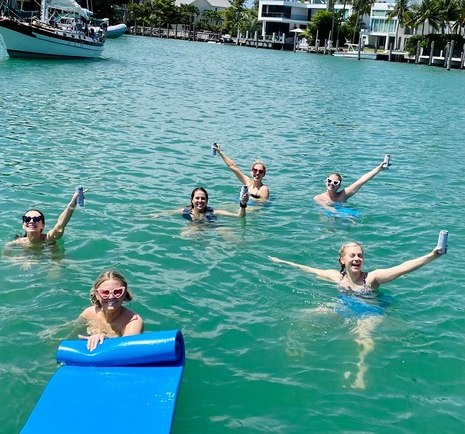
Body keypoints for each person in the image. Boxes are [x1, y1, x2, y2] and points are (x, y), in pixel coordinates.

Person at [269, 241, 446, 388]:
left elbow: (403, 268)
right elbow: (309, 269)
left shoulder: (372, 278)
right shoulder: (337, 277)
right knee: (308, 314)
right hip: (344, 307)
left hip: (370, 311)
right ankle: (296, 342)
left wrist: (432, 256)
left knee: (363, 335)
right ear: (342, 260)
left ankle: (360, 370)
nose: (357, 259)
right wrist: (282, 262)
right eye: (352, 255)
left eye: (360, 255)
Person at [79, 270, 144, 351]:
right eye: (105, 292)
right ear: (96, 295)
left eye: (117, 292)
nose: (111, 297)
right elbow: (72, 333)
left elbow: (126, 349)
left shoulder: (134, 321)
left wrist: (107, 340)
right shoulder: (89, 314)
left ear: (124, 294)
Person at [8, 189, 85, 246]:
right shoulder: (16, 243)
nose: (31, 221)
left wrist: (72, 205)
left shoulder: (48, 238)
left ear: (43, 225)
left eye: (36, 219)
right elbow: (6, 257)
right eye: (27, 219)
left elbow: (60, 226)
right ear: (23, 225)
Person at [313, 161, 387, 207]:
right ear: (326, 182)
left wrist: (379, 169)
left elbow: (361, 181)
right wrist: (341, 214)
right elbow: (328, 208)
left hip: (343, 213)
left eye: (335, 182)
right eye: (329, 181)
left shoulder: (343, 195)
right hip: (330, 216)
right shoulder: (318, 198)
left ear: (339, 186)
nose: (331, 184)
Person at [154, 187, 249, 220]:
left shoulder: (213, 212)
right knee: (186, 234)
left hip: (210, 227)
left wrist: (243, 204)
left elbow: (239, 216)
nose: (200, 201)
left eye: (203, 198)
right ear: (192, 200)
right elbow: (168, 213)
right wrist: (156, 215)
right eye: (197, 198)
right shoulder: (185, 210)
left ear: (207, 201)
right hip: (194, 228)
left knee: (225, 230)